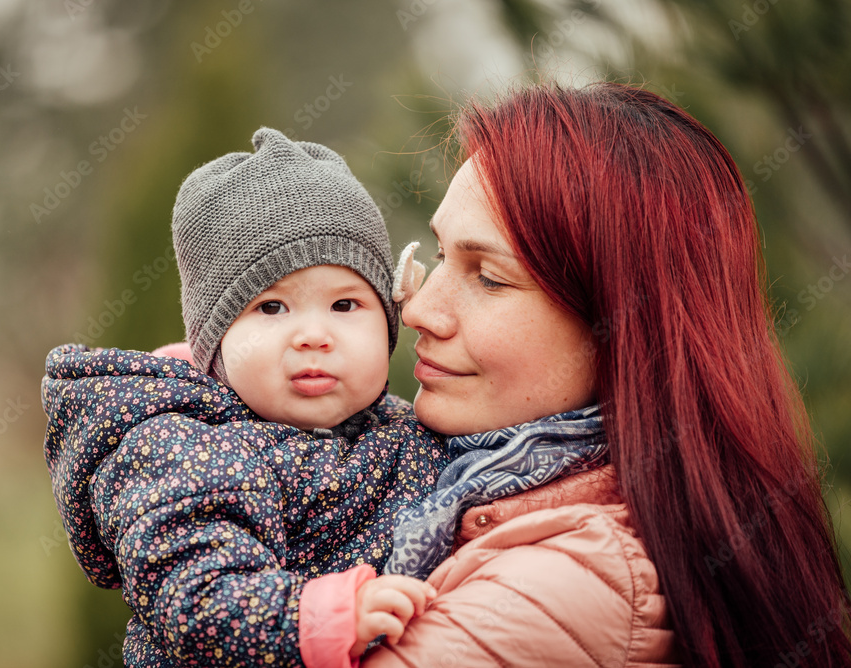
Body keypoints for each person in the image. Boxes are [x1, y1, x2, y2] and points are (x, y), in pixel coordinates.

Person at [352, 83, 851, 667]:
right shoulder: (453, 488)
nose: (416, 311)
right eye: (441, 257)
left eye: (489, 277)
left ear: (622, 322)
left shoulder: (560, 590)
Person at [41, 128, 446, 668]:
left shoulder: (412, 429)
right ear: (215, 344)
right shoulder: (180, 443)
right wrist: (323, 618)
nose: (313, 335)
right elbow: (195, 594)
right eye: (272, 308)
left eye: (346, 305)